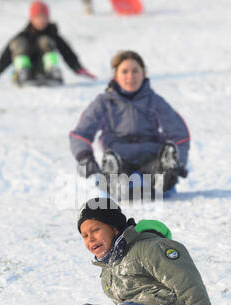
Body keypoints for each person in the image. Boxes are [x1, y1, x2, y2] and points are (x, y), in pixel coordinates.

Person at [36, 197, 218, 305]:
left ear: (114, 228)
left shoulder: (151, 248)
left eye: (95, 230)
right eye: (84, 235)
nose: (90, 238)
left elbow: (190, 287)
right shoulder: (110, 267)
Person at [69, 50, 190, 198]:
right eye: (124, 71)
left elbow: (179, 133)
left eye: (135, 71)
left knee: (158, 170)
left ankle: (164, 175)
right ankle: (114, 179)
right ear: (116, 75)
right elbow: (80, 135)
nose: (130, 76)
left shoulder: (154, 101)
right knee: (117, 175)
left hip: (150, 157)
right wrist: (85, 159)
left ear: (143, 74)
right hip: (119, 157)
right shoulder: (104, 102)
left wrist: (180, 162)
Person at [0, 1, 96, 90]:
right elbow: (4, 59)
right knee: (18, 44)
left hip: (44, 71)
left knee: (46, 41)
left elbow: (68, 54)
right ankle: (23, 74)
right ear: (32, 18)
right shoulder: (23, 35)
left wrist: (80, 69)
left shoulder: (52, 35)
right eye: (38, 17)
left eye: (44, 17)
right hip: (28, 71)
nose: (41, 20)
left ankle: (52, 73)